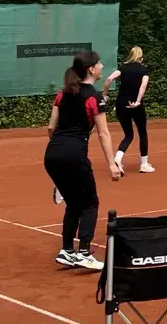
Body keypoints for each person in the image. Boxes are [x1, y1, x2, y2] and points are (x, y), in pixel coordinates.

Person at [44, 51, 123, 271]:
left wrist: (60, 147)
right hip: (74, 155)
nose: (102, 66)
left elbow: (51, 127)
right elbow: (103, 133)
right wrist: (111, 164)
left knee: (74, 203)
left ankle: (67, 250)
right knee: (90, 204)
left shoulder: (62, 94)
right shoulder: (93, 97)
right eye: (99, 63)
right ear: (91, 69)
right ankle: (85, 253)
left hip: (52, 154)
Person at [105, 47, 154, 173]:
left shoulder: (123, 68)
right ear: (141, 56)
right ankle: (144, 164)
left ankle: (118, 158)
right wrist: (137, 102)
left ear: (130, 55)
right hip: (136, 105)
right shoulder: (144, 70)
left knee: (128, 134)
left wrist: (105, 94)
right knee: (142, 132)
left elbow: (109, 79)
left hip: (121, 104)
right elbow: (143, 85)